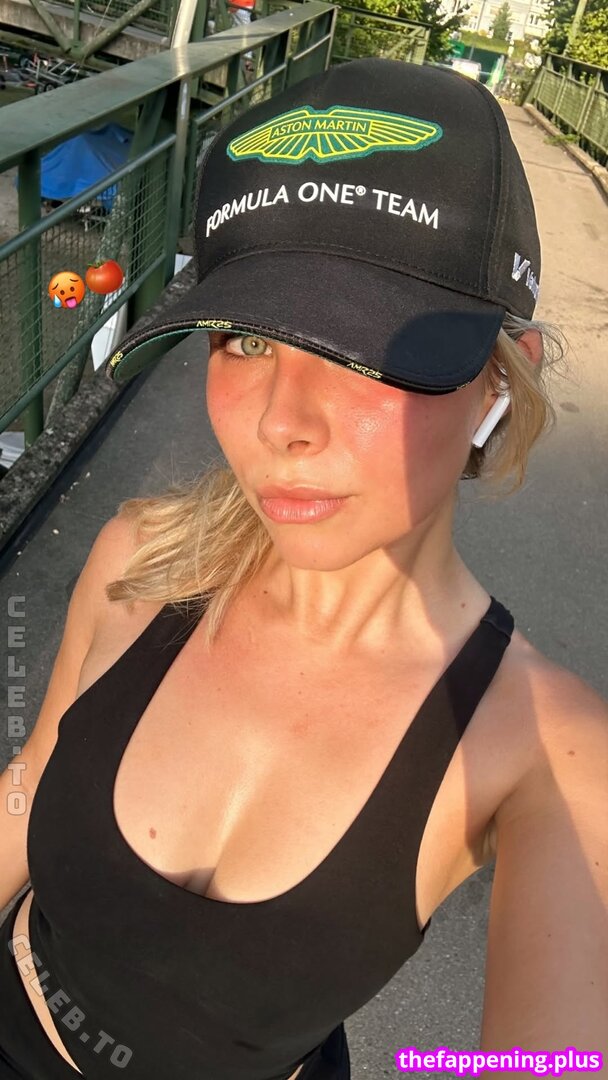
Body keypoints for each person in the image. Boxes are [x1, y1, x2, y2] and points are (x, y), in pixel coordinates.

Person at [1, 57, 606, 1080]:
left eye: (366, 351)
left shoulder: (550, 753)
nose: (283, 422)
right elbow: (29, 784)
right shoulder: (141, 564)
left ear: (499, 382)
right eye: (244, 340)